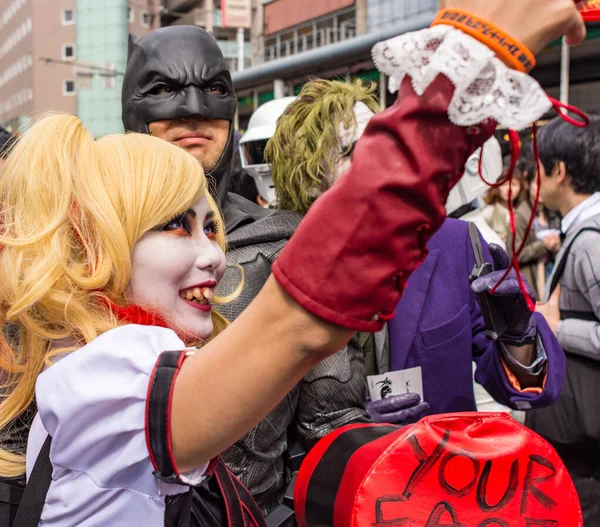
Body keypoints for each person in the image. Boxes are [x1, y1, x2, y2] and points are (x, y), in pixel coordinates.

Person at [0, 0, 586, 523]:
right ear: (99, 244)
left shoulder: (453, 246)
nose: (212, 253)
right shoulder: (101, 380)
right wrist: (472, 55)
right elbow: (301, 324)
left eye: (211, 226)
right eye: (176, 226)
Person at [121, 30, 371, 514]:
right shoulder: (88, 240)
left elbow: (331, 420)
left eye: (214, 89)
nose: (193, 110)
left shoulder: (289, 242)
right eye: (163, 90)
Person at [268, 79, 564, 426]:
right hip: (339, 476)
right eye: (350, 151)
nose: (377, 160)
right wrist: (349, 430)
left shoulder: (454, 245)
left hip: (445, 470)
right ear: (308, 179)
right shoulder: (280, 272)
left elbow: (527, 391)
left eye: (380, 143)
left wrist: (518, 335)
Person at [526, 116, 600, 526]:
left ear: (559, 171)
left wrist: (557, 328)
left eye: (540, 167)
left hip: (585, 437)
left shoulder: (591, 239)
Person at [507, 160, 561, 298]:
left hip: (555, 277)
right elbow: (513, 254)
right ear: (527, 184)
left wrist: (556, 246)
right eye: (537, 184)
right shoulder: (520, 215)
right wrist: (542, 246)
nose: (542, 189)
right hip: (534, 282)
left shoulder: (553, 211)